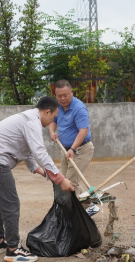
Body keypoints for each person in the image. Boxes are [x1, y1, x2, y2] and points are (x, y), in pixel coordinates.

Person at [0, 96, 74, 262]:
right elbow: (39, 151)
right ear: (47, 112)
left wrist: (40, 170)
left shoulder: (26, 117)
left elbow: (26, 151)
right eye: (52, 117)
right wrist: (60, 178)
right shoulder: (31, 122)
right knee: (11, 204)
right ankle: (13, 249)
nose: (51, 122)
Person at [48, 79, 99, 216]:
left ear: (71, 92)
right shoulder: (57, 106)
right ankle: (89, 205)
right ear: (55, 95)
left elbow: (83, 131)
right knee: (64, 180)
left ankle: (72, 213)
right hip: (65, 150)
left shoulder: (79, 108)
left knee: (70, 181)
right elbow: (53, 121)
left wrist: (72, 148)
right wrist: (52, 132)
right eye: (59, 96)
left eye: (65, 95)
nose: (63, 98)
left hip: (81, 149)